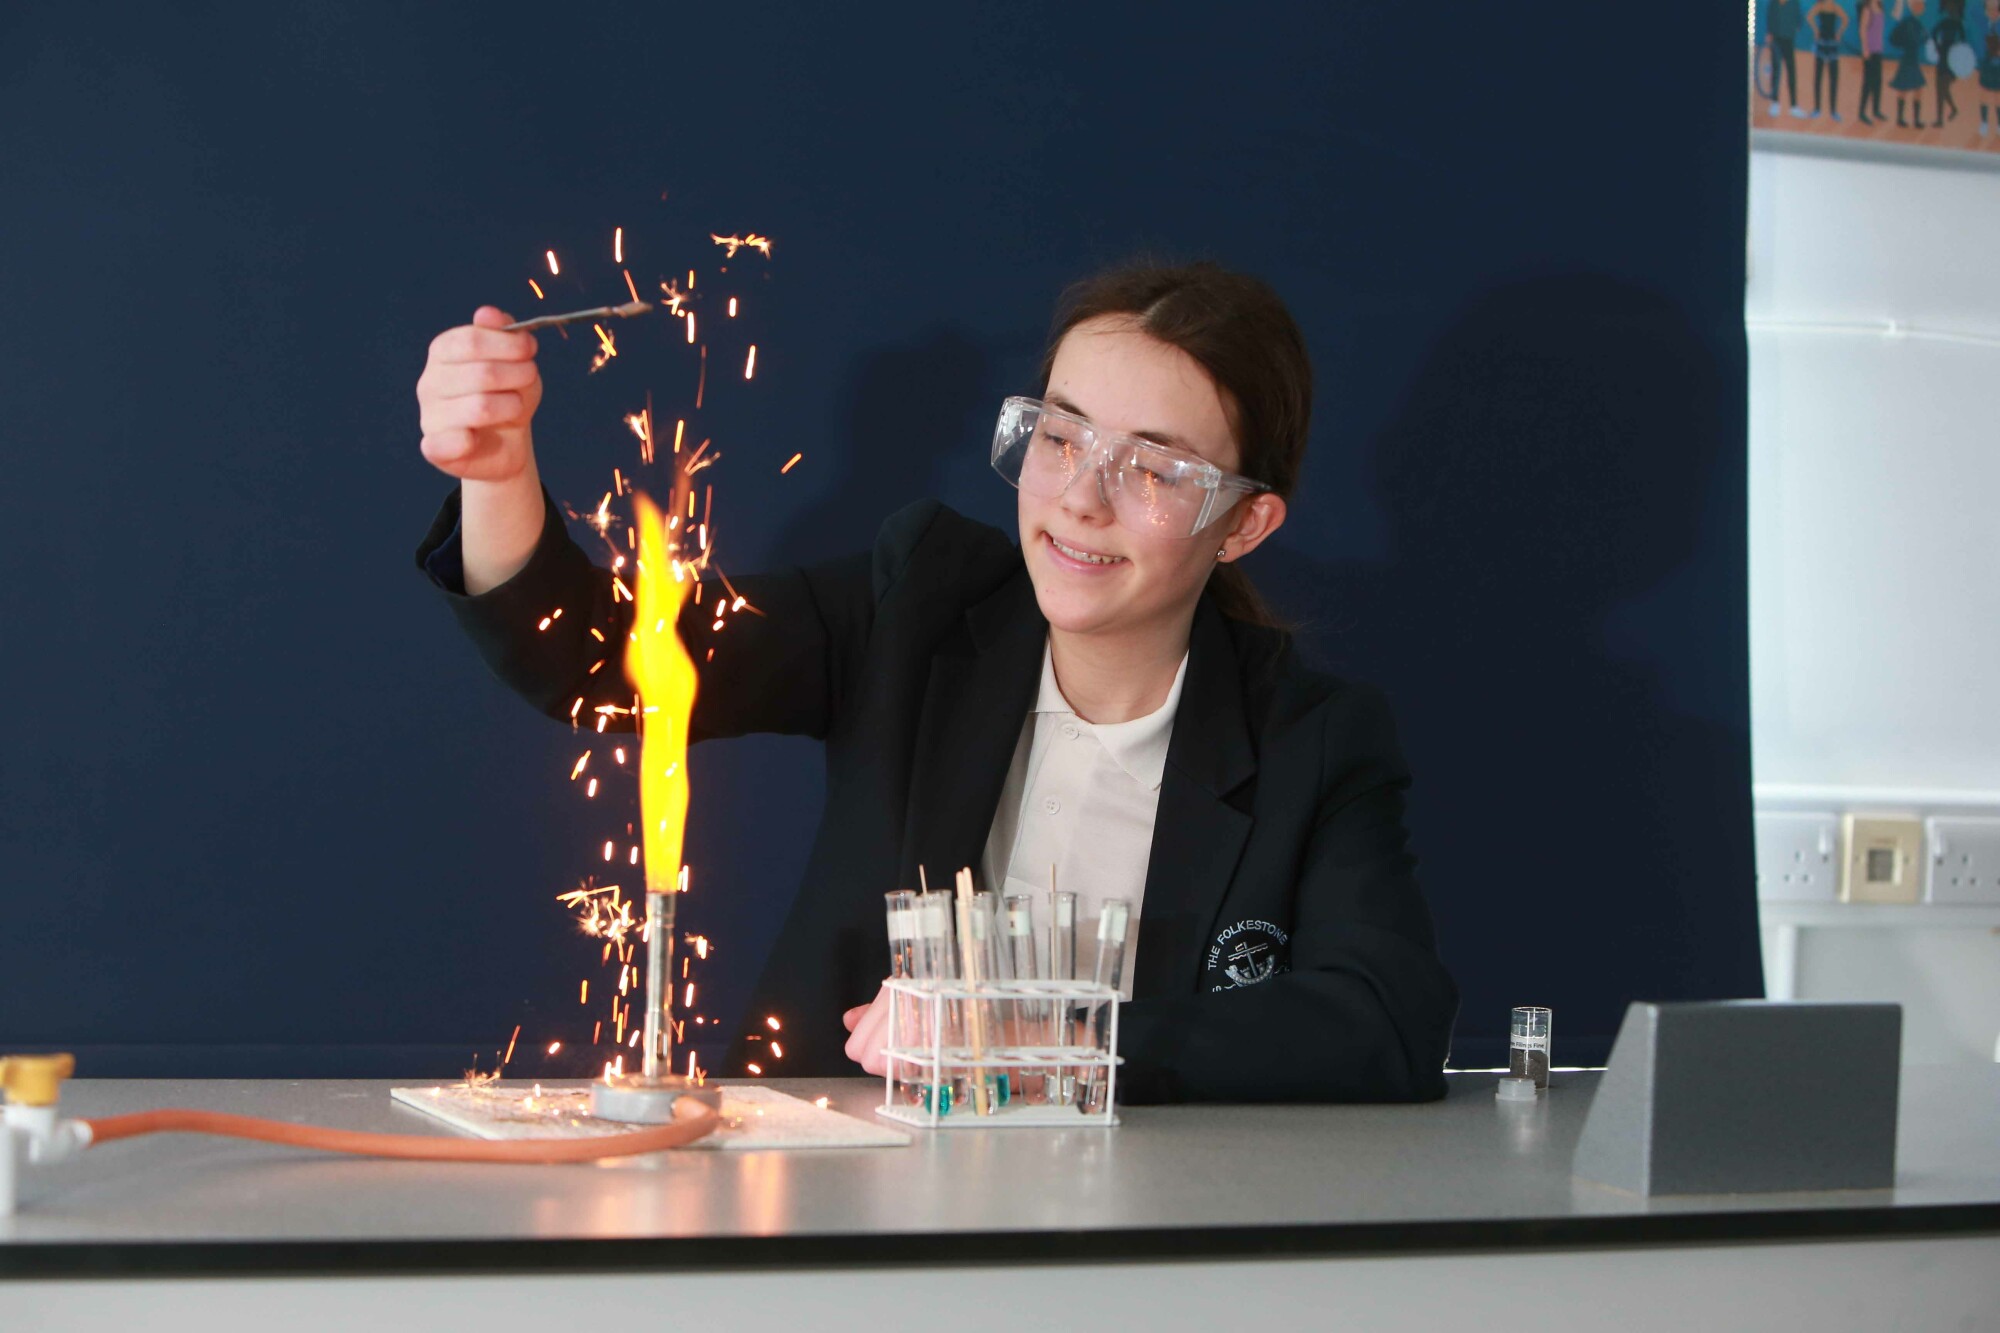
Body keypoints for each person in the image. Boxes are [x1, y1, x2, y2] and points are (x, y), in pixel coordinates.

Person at [411, 261, 1459, 1104]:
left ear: (1242, 521)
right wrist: (495, 471)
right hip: (833, 1226)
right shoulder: (916, 603)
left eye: (1151, 467)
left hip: (1134, 1247)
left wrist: (1037, 1033)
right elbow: (598, 662)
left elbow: (1381, 1025)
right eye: (1059, 435)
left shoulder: (1311, 740)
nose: (1078, 500)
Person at [1891, 0, 1932, 127]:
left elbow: (1923, 39)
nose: (1923, 7)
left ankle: (1914, 120)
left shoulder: (1917, 23)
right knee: (1905, 89)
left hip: (1912, 59)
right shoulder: (1908, 22)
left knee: (1917, 89)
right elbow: (1894, 38)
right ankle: (1901, 119)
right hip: (1908, 59)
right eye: (1920, 5)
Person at [1808, 0, 1851, 120]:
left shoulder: (1836, 7)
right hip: (1821, 42)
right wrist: (1816, 31)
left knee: (1834, 78)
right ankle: (1817, 109)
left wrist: (1839, 33)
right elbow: (1809, 17)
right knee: (1818, 77)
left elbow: (1845, 19)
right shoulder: (1819, 6)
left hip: (1833, 44)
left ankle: (1833, 111)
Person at [1770, 0, 1810, 117]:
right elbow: (1770, 17)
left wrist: (1792, 29)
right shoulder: (1774, 3)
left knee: (1791, 72)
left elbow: (1799, 20)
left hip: (1788, 40)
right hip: (1776, 41)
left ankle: (1793, 106)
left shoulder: (1794, 3)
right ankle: (1775, 103)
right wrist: (1770, 33)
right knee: (1776, 72)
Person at [1858, 0, 1889, 124]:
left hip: (1878, 50)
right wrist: (1865, 48)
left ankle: (1876, 110)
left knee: (1878, 81)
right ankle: (1862, 112)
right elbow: (1862, 29)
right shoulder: (1867, 9)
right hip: (1869, 51)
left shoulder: (1881, 8)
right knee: (1868, 82)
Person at [1982, 0, 2000, 134]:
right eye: (1989, 9)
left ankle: (1999, 124)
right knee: (1984, 94)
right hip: (1986, 66)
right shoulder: (1983, 26)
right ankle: (1984, 123)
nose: (1992, 12)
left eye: (1995, 9)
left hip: (1998, 67)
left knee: (1997, 96)